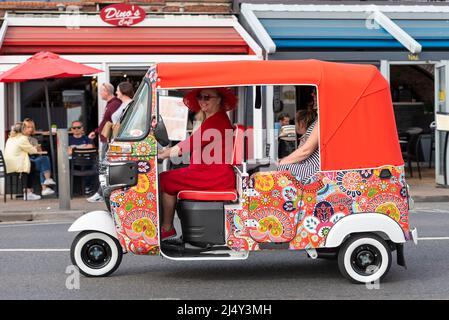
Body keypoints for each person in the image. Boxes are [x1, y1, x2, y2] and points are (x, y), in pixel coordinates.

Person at [158, 87, 237, 241]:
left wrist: (162, 155)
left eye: (207, 97)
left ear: (219, 99)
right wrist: (166, 152)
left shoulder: (216, 121)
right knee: (167, 177)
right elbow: (190, 144)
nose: (202, 101)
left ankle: (167, 228)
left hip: (213, 175)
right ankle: (167, 227)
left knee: (165, 180)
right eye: (200, 97)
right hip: (209, 172)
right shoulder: (215, 119)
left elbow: (186, 147)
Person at [87, 83, 122, 203]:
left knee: (104, 168)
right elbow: (105, 122)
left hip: (108, 140)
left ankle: (101, 193)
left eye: (101, 91)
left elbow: (113, 122)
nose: (100, 93)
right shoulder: (111, 104)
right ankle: (101, 193)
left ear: (107, 91)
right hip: (105, 138)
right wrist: (96, 132)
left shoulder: (115, 104)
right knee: (104, 167)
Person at [278, 109, 319, 184]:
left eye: (295, 122)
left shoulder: (319, 122)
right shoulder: (317, 123)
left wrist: (282, 163)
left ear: (301, 123)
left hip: (312, 170)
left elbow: (305, 151)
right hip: (310, 168)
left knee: (278, 169)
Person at [4, 123, 40, 200]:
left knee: (31, 164)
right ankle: (28, 192)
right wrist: (36, 147)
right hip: (17, 165)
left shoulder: (10, 139)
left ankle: (27, 191)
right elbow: (32, 151)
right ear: (23, 130)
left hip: (9, 165)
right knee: (32, 165)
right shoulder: (22, 138)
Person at [21, 118, 56, 196]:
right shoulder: (20, 139)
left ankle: (45, 184)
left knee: (44, 159)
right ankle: (45, 186)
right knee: (43, 162)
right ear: (23, 128)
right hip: (24, 161)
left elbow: (39, 153)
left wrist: (38, 148)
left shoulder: (34, 139)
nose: (30, 129)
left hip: (33, 160)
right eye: (28, 127)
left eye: (32, 127)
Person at [69, 120, 96, 195]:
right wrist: (84, 147)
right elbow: (68, 152)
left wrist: (75, 148)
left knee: (96, 165)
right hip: (73, 163)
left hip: (87, 162)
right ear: (71, 129)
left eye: (78, 127)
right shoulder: (68, 139)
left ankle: (89, 187)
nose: (76, 129)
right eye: (74, 128)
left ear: (82, 129)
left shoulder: (87, 138)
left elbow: (90, 147)